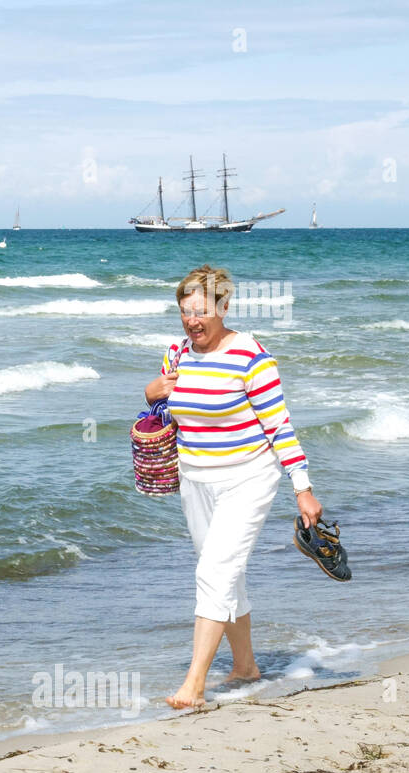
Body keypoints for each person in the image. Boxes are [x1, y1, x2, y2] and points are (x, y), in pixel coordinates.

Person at [143, 265, 322, 709]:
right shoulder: (177, 353)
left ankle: (193, 687)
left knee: (213, 573)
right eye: (185, 312)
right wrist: (151, 393)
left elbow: (280, 426)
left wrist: (302, 487)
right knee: (226, 573)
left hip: (248, 477)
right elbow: (166, 410)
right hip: (195, 479)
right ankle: (245, 667)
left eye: (201, 312)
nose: (192, 321)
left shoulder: (250, 356)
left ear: (223, 307)